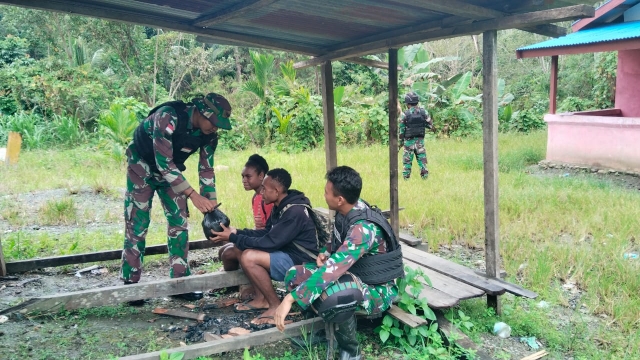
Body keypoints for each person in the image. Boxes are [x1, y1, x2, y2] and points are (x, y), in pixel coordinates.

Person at [274, 166, 403, 360]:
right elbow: (335, 243)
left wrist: (290, 298)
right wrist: (325, 253)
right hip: (355, 276)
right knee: (295, 274)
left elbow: (331, 272)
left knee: (339, 293)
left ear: (340, 199)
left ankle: (351, 351)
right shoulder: (346, 212)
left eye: (327, 192)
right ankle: (320, 332)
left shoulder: (363, 229)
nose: (324, 195)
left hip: (378, 290)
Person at [120, 92, 232, 301]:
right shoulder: (167, 116)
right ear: (201, 112)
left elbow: (206, 170)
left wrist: (211, 204)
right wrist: (193, 195)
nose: (216, 128)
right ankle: (130, 285)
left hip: (172, 173)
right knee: (138, 223)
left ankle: (180, 283)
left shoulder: (209, 135)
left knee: (179, 223)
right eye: (214, 122)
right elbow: (163, 164)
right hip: (141, 166)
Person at [210, 168, 324, 328]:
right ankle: (260, 299)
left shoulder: (294, 212)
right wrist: (237, 233)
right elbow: (267, 232)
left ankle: (275, 305)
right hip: (286, 252)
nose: (261, 192)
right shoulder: (281, 206)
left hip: (301, 261)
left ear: (276, 191)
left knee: (249, 257)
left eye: (264, 189)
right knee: (238, 248)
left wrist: (233, 236)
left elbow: (270, 242)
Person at [218, 154, 274, 299]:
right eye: (242, 176)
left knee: (230, 252)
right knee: (223, 250)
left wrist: (240, 237)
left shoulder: (267, 199)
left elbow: (269, 231)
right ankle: (235, 284)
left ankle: (256, 288)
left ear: (261, 175)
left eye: (248, 176)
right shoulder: (256, 197)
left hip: (267, 242)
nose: (244, 180)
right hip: (259, 238)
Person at [399, 91, 433, 180]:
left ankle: (406, 179)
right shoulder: (423, 112)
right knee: (422, 161)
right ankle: (425, 178)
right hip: (420, 142)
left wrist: (400, 143)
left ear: (407, 103)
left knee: (407, 162)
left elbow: (401, 130)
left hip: (408, 142)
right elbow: (430, 125)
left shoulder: (405, 114)